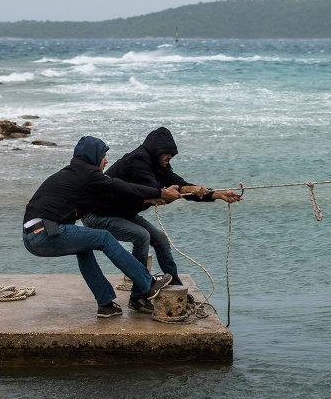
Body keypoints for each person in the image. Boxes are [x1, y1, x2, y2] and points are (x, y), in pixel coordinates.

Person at [82, 127, 242, 314]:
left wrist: (217, 194)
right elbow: (156, 191)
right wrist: (182, 190)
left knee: (160, 239)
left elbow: (178, 184)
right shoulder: (137, 161)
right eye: (167, 154)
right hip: (96, 214)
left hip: (122, 213)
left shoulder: (159, 165)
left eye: (171, 155)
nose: (169, 158)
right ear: (157, 149)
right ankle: (138, 296)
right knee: (141, 236)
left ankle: (175, 286)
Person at [22, 135, 179, 318]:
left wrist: (149, 198)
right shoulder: (87, 173)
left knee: (85, 249)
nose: (106, 160)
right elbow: (119, 186)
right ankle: (148, 284)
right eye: (103, 155)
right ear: (93, 155)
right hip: (44, 233)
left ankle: (105, 304)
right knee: (103, 237)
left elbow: (110, 197)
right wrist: (159, 192)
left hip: (32, 236)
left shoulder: (75, 174)